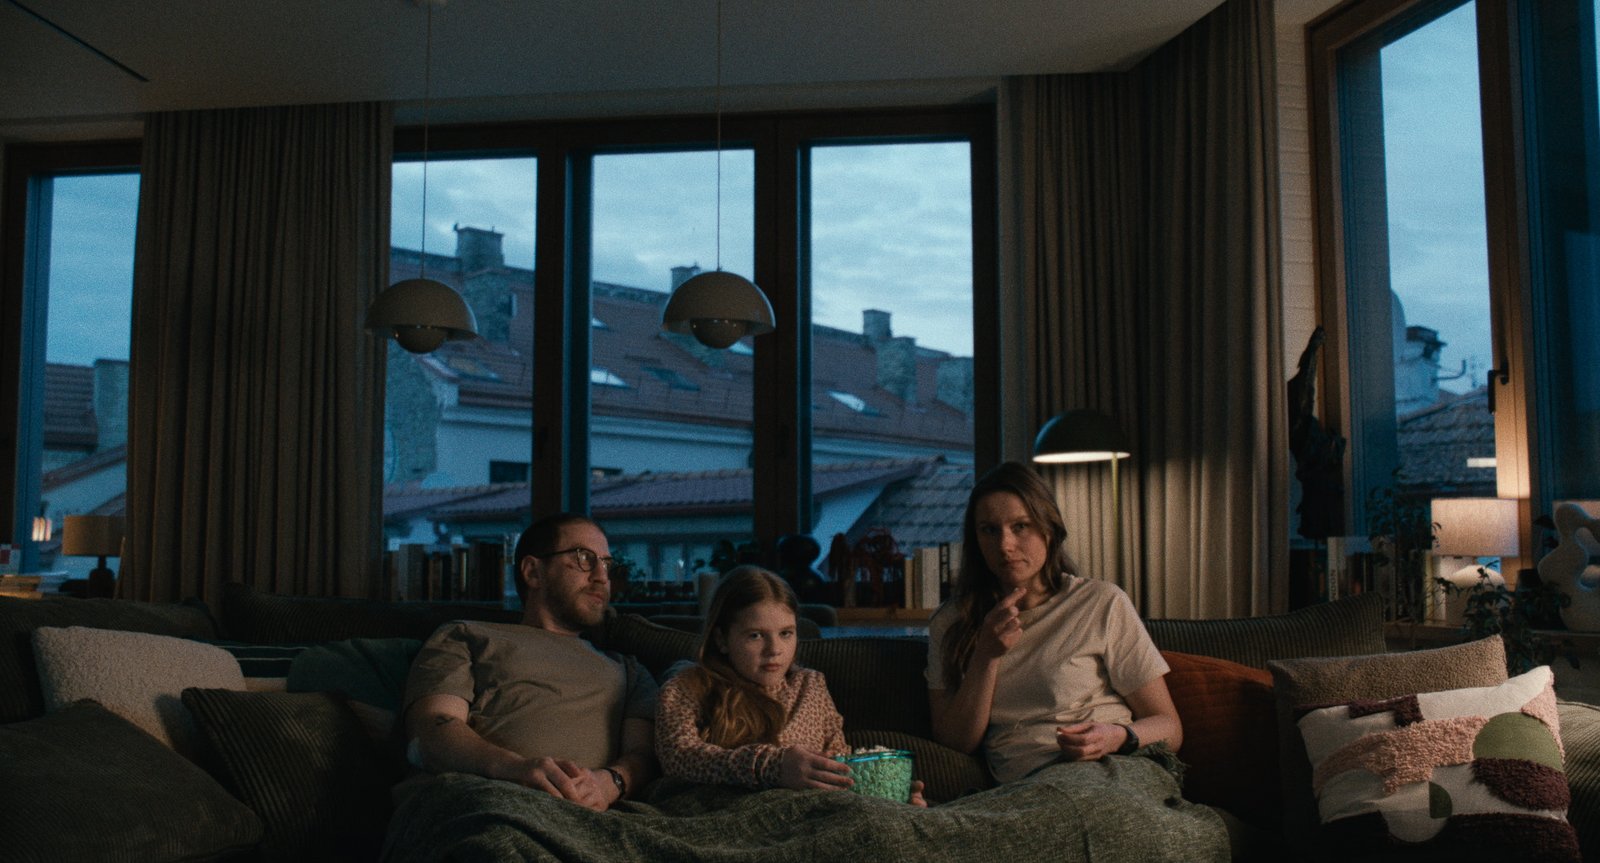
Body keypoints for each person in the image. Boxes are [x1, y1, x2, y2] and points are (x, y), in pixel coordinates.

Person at [926, 461, 1181, 785]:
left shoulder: (1101, 601)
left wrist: (1117, 736)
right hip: (1027, 788)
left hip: (1113, 770)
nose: (1004, 545)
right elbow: (955, 742)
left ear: (1048, 528)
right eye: (989, 530)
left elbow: (1170, 727)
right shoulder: (951, 622)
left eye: (1020, 526)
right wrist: (985, 656)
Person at [401, 512, 658, 811]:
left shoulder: (628, 670)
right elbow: (429, 732)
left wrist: (611, 782)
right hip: (486, 801)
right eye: (584, 559)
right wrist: (516, 770)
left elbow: (644, 754)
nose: (602, 577)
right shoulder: (467, 636)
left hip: (593, 817)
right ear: (533, 572)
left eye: (606, 564)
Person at [656, 565, 926, 804]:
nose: (774, 650)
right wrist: (773, 766)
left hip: (816, 814)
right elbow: (680, 757)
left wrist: (888, 795)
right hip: (730, 813)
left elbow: (838, 765)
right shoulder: (686, 688)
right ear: (721, 639)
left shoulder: (811, 686)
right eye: (755, 636)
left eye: (786, 633)